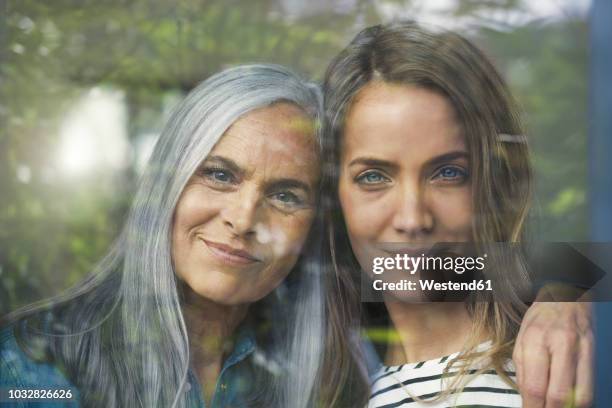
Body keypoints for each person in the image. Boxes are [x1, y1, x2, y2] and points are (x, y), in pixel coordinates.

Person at [0, 64, 351, 407]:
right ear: (165, 186)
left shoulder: (328, 375)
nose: (243, 220)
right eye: (219, 175)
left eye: (285, 196)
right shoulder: (30, 370)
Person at [322, 22, 593, 408]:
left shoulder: (558, 369)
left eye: (448, 173)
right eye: (374, 176)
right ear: (334, 196)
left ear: (491, 185)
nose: (413, 218)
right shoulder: (335, 384)